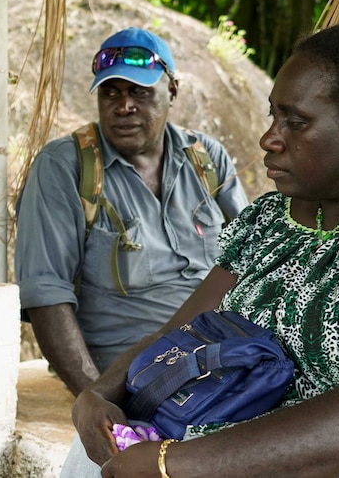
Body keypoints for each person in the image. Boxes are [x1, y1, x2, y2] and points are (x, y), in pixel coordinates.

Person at [65, 20, 339, 477]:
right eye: (273, 115)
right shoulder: (272, 219)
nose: (270, 137)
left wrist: (173, 465)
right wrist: (100, 394)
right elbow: (181, 331)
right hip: (205, 451)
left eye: (295, 122)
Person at [15, 27, 249, 396]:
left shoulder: (206, 158)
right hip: (135, 372)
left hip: (224, 353)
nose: (123, 106)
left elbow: (252, 257)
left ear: (172, 90)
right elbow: (46, 295)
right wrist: (96, 399)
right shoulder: (66, 167)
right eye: (110, 93)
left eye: (139, 92)